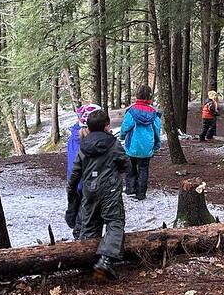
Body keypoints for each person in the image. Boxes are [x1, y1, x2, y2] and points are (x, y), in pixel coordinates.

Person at [67, 109, 129, 280]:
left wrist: (71, 189)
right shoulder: (113, 144)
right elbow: (125, 164)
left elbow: (76, 170)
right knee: (115, 223)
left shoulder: (83, 145)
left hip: (90, 191)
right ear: (107, 126)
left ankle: (87, 263)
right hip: (110, 191)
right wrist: (119, 169)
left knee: (90, 225)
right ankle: (105, 260)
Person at [66, 103, 102, 239]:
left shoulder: (74, 136)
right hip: (87, 183)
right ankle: (81, 237)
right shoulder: (91, 141)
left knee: (79, 209)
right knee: (86, 212)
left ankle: (78, 231)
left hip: (75, 182)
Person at [120, 86, 161, 200]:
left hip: (132, 145)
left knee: (130, 168)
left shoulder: (132, 111)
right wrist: (157, 144)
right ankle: (141, 194)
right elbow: (157, 130)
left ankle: (130, 189)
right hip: (147, 147)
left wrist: (122, 136)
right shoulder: (153, 113)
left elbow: (125, 127)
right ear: (149, 96)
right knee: (143, 169)